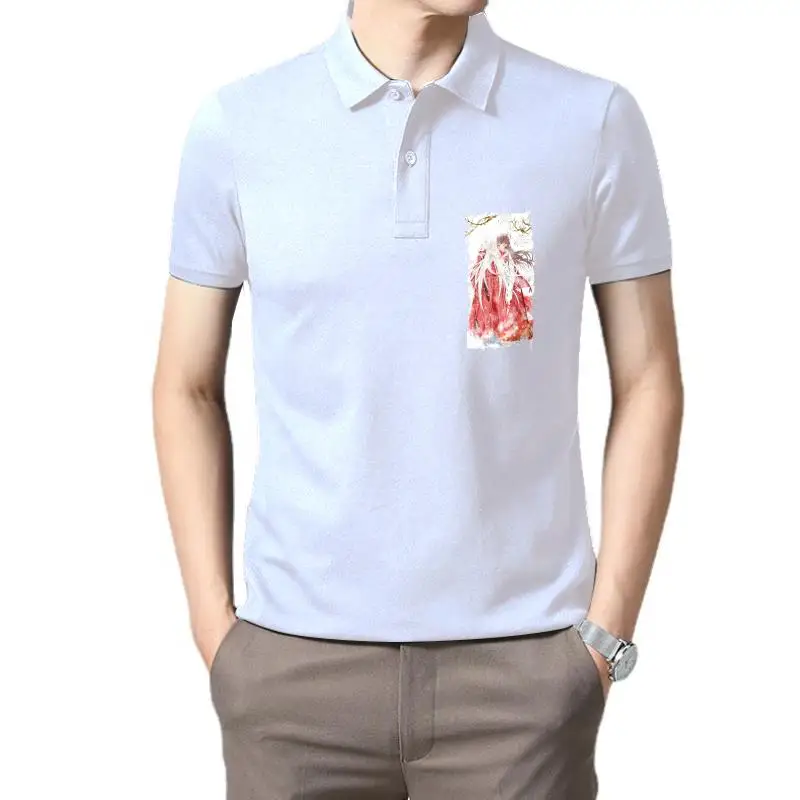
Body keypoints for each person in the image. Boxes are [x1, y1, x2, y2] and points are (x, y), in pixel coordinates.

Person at [152, 0, 684, 797]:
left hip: (522, 684)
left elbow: (648, 378)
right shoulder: (240, 127)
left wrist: (604, 639)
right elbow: (185, 383)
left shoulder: (590, 122)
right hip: (292, 679)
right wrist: (215, 629)